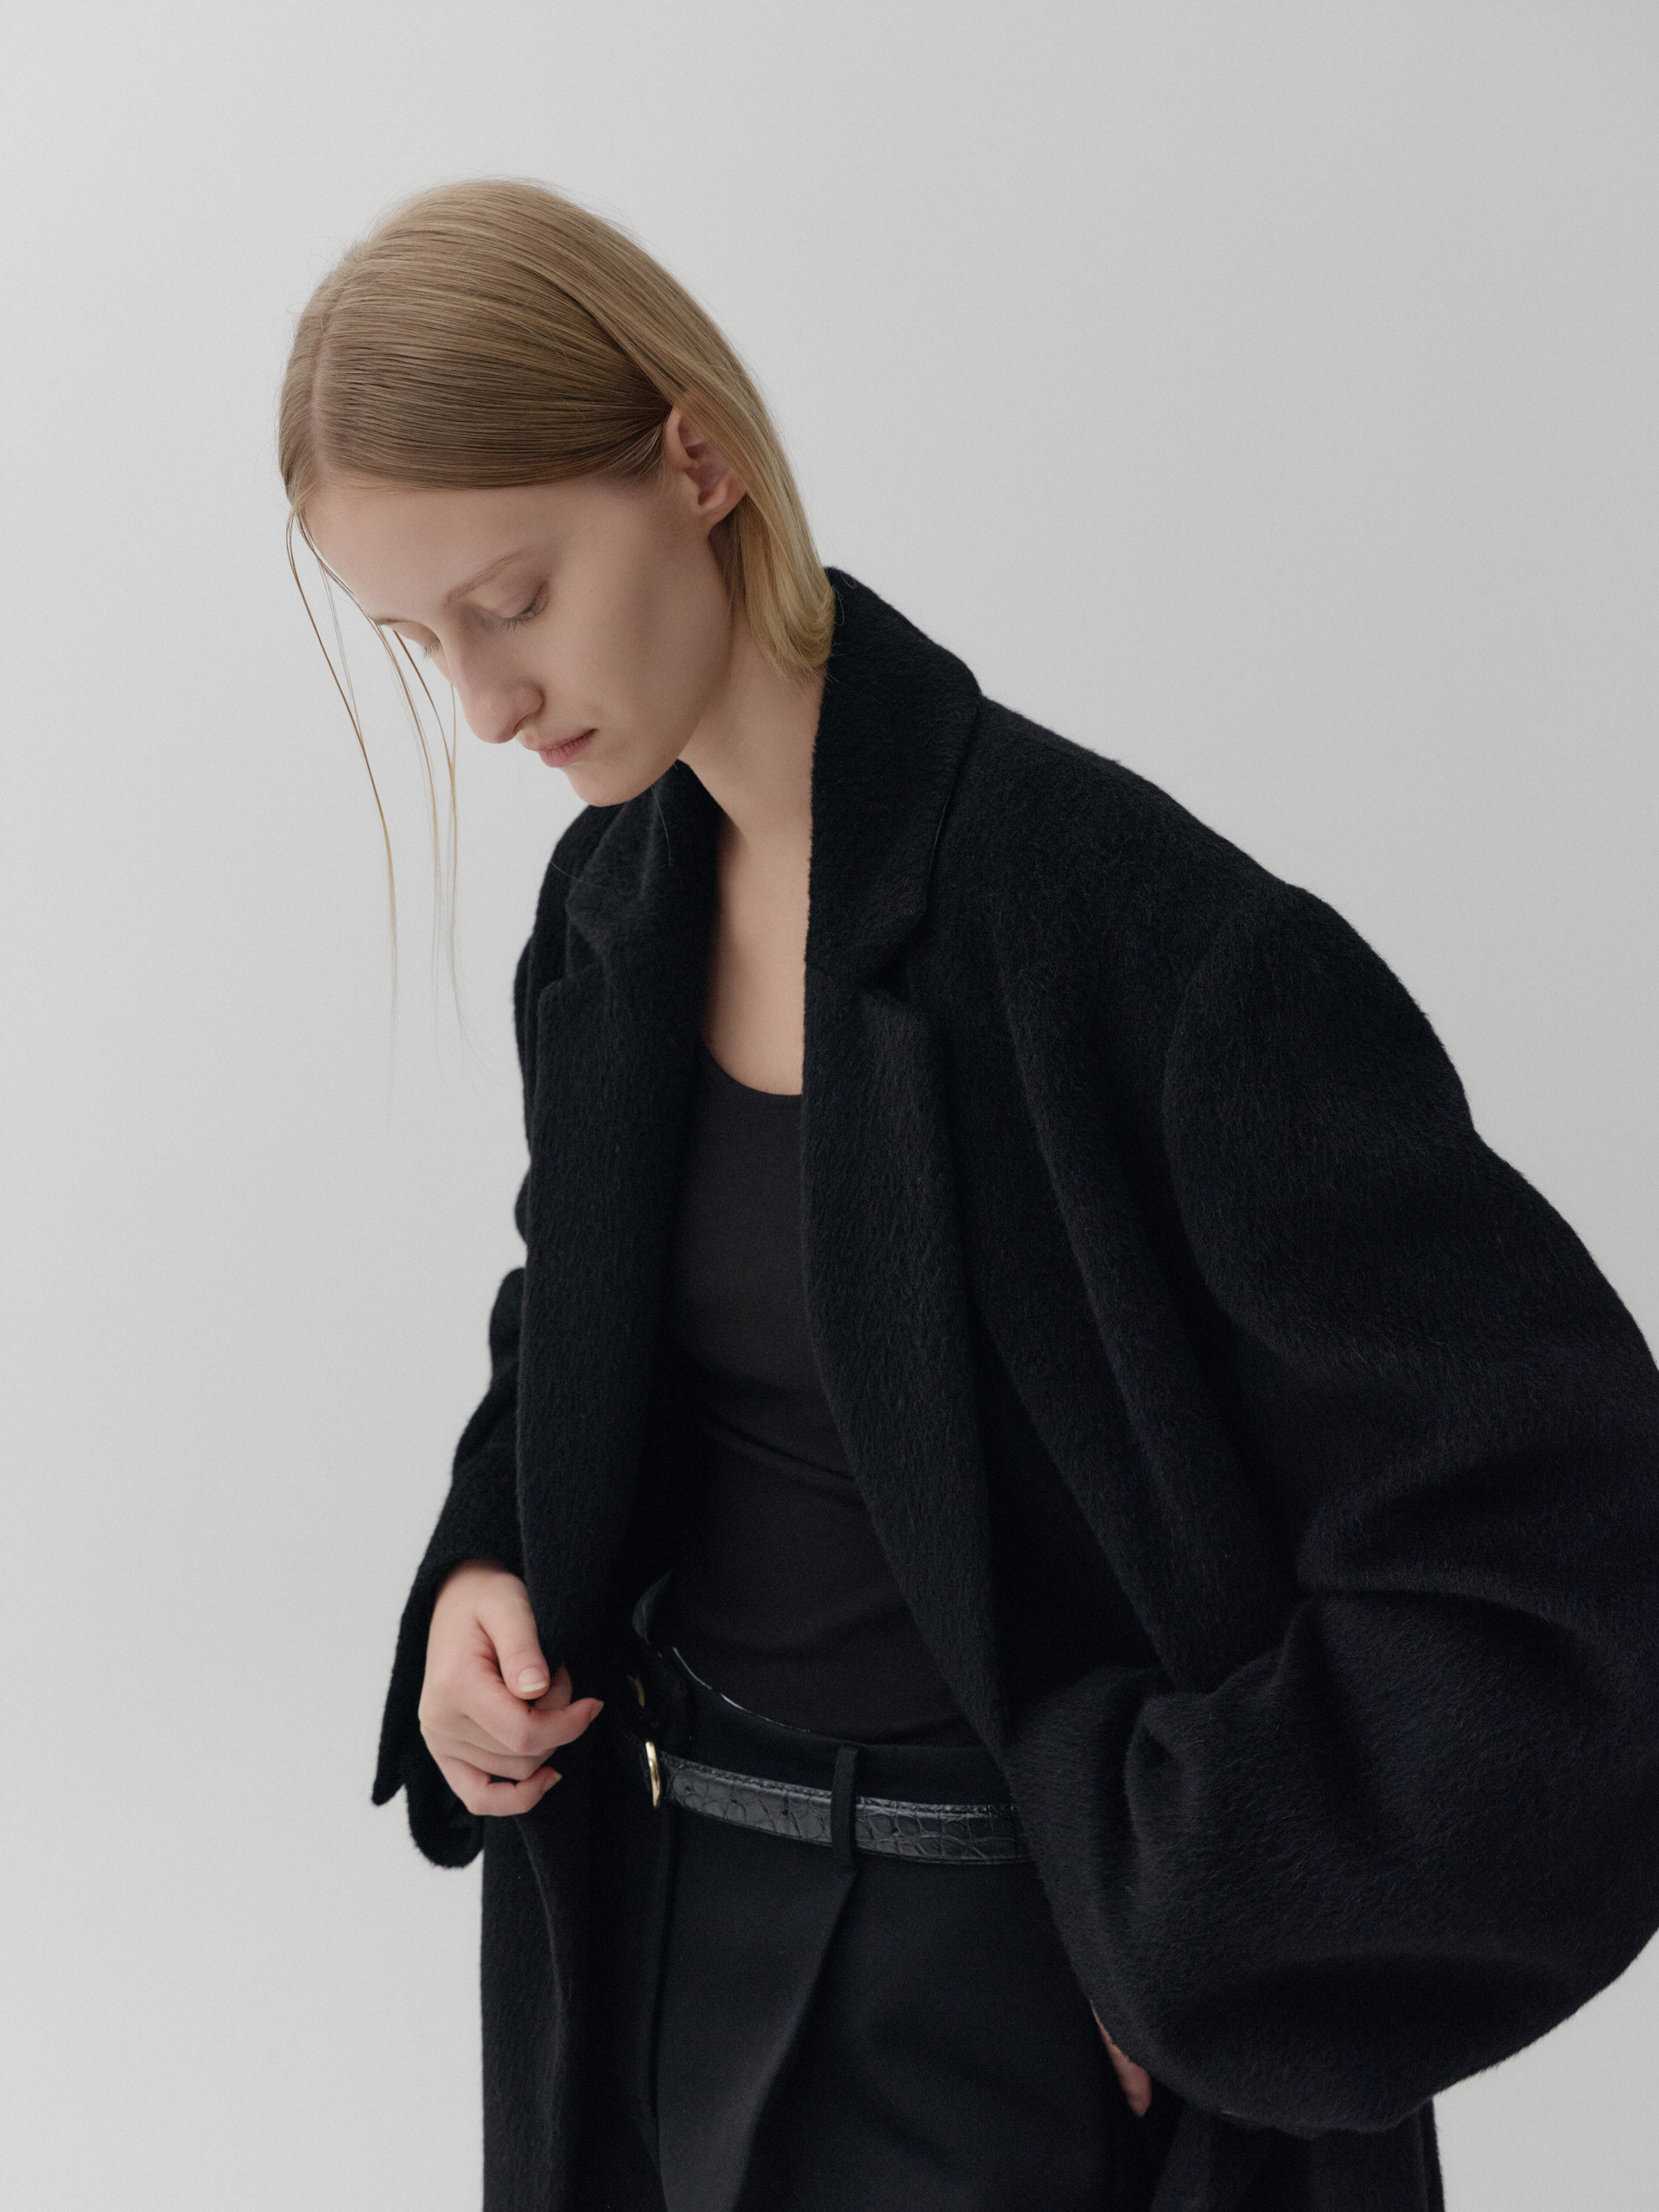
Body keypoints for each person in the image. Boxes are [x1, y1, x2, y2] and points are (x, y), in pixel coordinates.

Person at [279, 181, 1659, 2212]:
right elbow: (587, 1329)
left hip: (1021, 2020)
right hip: (657, 1950)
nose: (484, 704)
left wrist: (1197, 1910)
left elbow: (1563, 1543)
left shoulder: (1153, 951)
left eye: (513, 598)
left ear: (696, 459)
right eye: (424, 644)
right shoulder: (610, 913)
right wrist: (486, 1562)